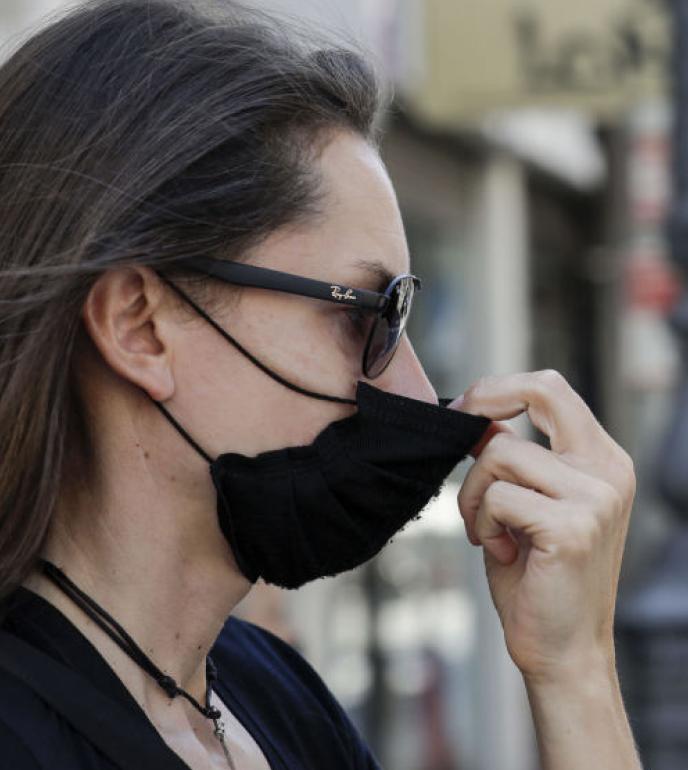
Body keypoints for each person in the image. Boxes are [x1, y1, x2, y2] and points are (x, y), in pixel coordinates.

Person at [0, 2, 640, 769]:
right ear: (140, 324)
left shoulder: (275, 699)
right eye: (367, 318)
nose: (415, 390)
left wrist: (574, 671)